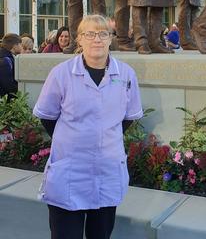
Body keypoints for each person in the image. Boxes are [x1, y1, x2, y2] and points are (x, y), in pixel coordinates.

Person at [33, 14, 143, 239]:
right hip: (70, 170)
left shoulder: (126, 74)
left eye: (103, 34)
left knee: (100, 234)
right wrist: (74, 139)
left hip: (107, 169)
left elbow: (129, 117)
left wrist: (102, 137)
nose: (97, 39)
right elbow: (47, 116)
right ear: (79, 39)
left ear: (111, 39)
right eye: (89, 34)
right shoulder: (61, 74)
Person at [0, 33, 22, 100]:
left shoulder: (6, 57)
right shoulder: (6, 60)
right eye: (20, 44)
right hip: (5, 102)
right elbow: (8, 85)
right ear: (15, 46)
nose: (21, 47)